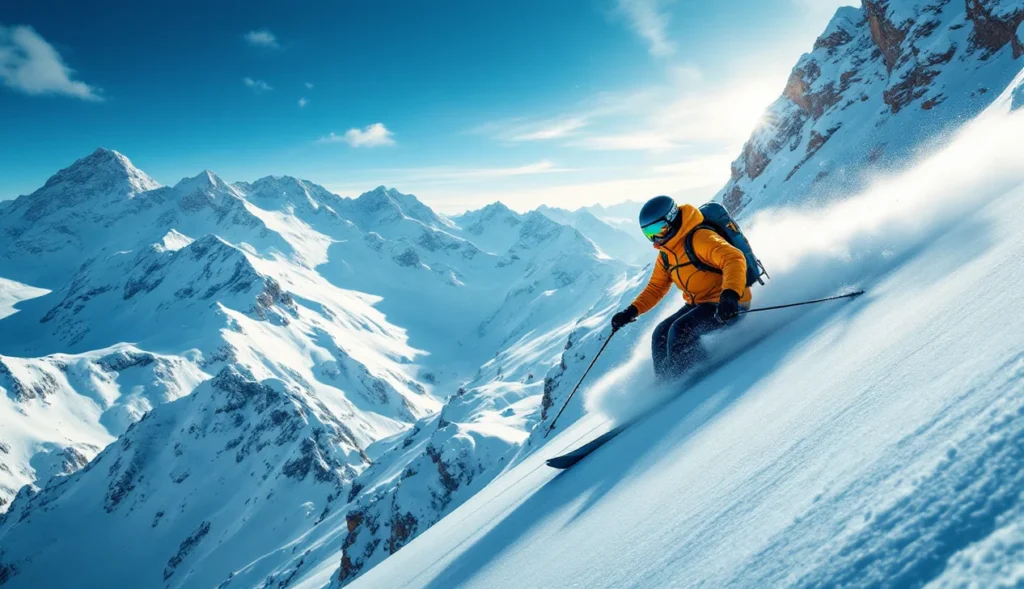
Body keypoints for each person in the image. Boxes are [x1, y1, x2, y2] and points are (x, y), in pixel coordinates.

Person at [611, 195, 752, 379]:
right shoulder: (667, 253)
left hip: (729, 303)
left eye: (657, 230)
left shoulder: (700, 238)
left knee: (681, 331)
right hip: (701, 303)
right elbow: (656, 288)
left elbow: (733, 258)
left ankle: (689, 382)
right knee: (660, 334)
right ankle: (666, 382)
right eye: (648, 234)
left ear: (671, 220)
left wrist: (730, 295)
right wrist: (631, 311)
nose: (655, 239)